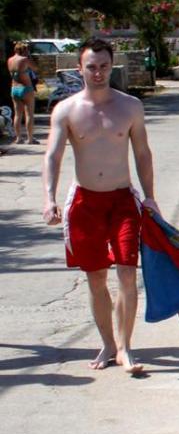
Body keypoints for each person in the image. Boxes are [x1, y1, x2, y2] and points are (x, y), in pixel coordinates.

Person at [42, 38, 158, 374]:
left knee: (127, 273)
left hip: (122, 201)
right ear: (80, 68)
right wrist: (49, 198)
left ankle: (125, 347)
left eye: (104, 66)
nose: (98, 73)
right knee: (96, 278)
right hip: (85, 202)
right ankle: (108, 343)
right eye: (91, 67)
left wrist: (150, 196)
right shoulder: (66, 110)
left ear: (112, 66)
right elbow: (53, 156)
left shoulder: (130, 106)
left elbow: (142, 154)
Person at [8, 41, 41, 144]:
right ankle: (30, 139)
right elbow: (35, 68)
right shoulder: (25, 60)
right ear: (24, 50)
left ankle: (18, 138)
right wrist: (29, 57)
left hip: (14, 88)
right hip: (26, 88)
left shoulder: (10, 60)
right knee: (29, 114)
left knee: (17, 114)